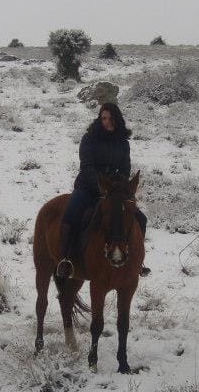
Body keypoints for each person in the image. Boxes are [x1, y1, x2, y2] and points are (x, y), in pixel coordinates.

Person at [57, 102, 148, 278]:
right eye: (103, 118)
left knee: (141, 219)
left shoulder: (123, 143)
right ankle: (66, 259)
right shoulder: (89, 138)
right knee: (71, 214)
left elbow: (124, 169)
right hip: (87, 187)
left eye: (110, 118)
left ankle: (137, 262)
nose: (107, 122)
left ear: (117, 119)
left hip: (114, 193)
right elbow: (87, 166)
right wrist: (101, 187)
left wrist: (116, 188)